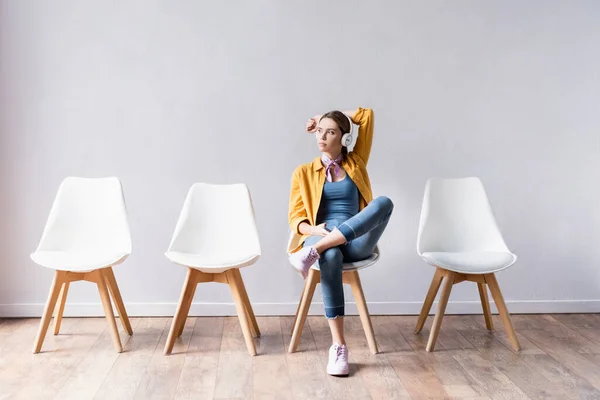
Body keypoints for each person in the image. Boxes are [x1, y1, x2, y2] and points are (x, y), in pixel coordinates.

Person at [288, 107, 394, 376]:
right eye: (319, 131)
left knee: (384, 203)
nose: (322, 136)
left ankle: (314, 252)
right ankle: (338, 347)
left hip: (355, 242)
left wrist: (320, 114)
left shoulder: (356, 161)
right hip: (322, 236)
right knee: (331, 257)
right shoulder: (303, 172)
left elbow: (367, 115)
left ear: (344, 138)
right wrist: (314, 229)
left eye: (330, 131)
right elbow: (295, 218)